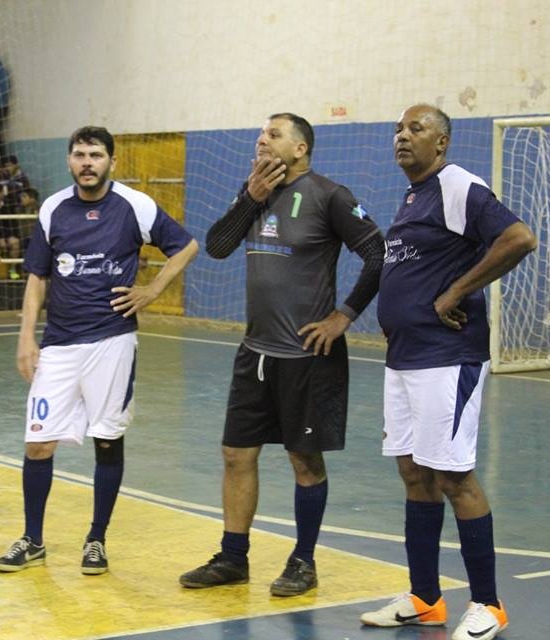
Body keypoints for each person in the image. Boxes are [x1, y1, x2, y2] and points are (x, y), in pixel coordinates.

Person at [179, 113, 386, 596]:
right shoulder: (253, 191)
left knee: (305, 461)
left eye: (273, 134)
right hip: (255, 352)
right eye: (260, 133)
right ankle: (233, 557)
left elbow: (378, 253)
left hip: (307, 356)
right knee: (235, 454)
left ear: (301, 149)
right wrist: (249, 198)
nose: (261, 139)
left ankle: (303, 561)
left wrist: (344, 316)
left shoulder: (329, 196)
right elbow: (217, 246)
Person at [359, 104, 537, 640]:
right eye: (398, 128)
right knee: (414, 472)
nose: (402, 136)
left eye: (416, 128)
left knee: (454, 475)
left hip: (447, 357)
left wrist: (456, 292)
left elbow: (519, 238)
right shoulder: (415, 197)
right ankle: (425, 597)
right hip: (405, 358)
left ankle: (488, 604)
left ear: (442, 143)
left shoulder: (457, 184)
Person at [0, 126, 198, 575]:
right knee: (38, 444)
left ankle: (96, 539)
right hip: (60, 344)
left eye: (96, 155)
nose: (88, 162)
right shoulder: (53, 209)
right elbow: (37, 277)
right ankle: (33, 539)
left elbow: (186, 246)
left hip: (112, 340)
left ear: (112, 162)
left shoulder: (134, 206)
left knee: (107, 438)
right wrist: (26, 336)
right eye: (80, 155)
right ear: (70, 161)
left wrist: (152, 291)